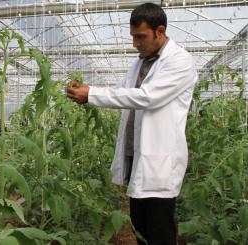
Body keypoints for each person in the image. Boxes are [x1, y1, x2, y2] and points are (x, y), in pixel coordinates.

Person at [67, 3, 197, 244]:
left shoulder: (180, 61)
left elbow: (148, 96)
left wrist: (92, 93)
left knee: (160, 234)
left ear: (160, 31)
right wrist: (88, 94)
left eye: (141, 37)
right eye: (133, 37)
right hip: (137, 158)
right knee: (141, 232)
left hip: (159, 164)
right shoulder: (140, 62)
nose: (135, 43)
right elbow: (122, 91)